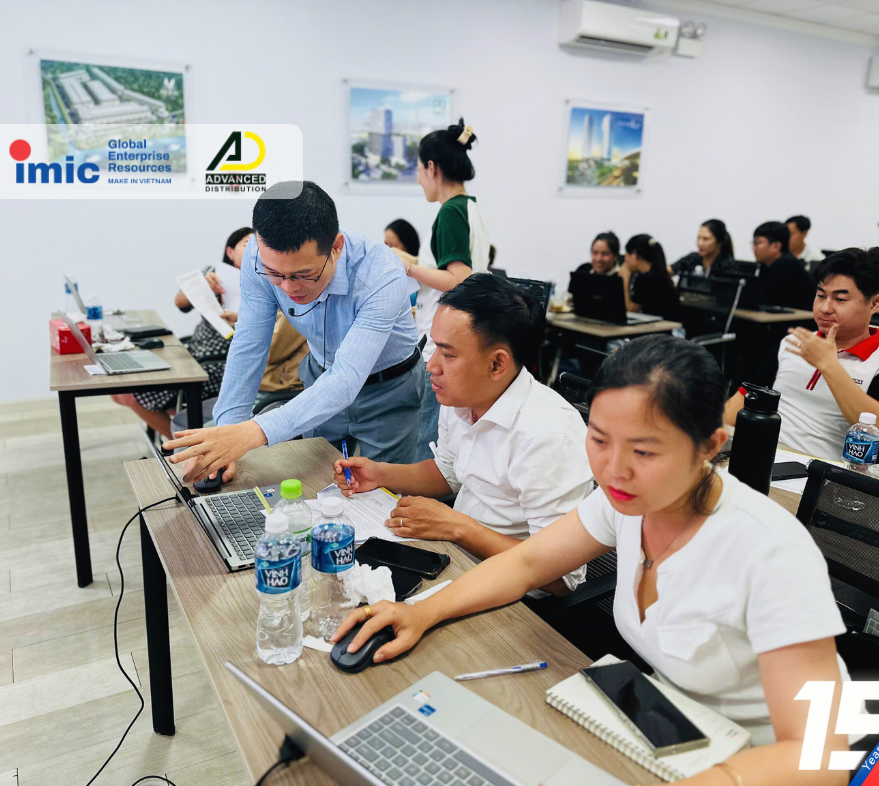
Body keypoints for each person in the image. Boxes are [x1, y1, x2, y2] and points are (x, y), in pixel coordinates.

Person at [335, 335, 853, 782]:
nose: (614, 469)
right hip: (669, 729)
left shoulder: (771, 552)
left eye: (644, 452)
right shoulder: (627, 501)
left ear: (710, 446)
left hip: (753, 767)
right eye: (599, 440)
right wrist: (422, 612)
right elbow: (526, 564)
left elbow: (823, 759)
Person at [333, 273, 591, 594]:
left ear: (497, 365)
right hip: (455, 559)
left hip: (515, 593)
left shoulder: (548, 436)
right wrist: (381, 474)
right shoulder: (462, 399)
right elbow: (448, 473)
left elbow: (562, 577)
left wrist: (457, 527)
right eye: (433, 348)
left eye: (448, 354)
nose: (431, 365)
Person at [163, 181, 424, 483]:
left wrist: (253, 432)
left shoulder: (381, 273)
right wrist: (226, 437)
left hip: (388, 390)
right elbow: (249, 345)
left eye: (304, 274)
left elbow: (346, 378)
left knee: (384, 494)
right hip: (319, 378)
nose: (288, 288)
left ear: (336, 247)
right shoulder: (258, 258)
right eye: (276, 275)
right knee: (318, 485)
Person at [725, 248, 879, 462]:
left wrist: (829, 365)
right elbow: (741, 401)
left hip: (822, 473)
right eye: (820, 296)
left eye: (840, 299)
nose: (825, 308)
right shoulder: (793, 343)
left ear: (875, 303)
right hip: (760, 455)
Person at [401, 118, 490, 463]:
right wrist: (411, 260)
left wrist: (408, 268)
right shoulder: (470, 207)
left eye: (419, 169)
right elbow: (451, 268)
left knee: (430, 438)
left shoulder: (450, 212)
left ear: (432, 167)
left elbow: (458, 277)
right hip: (466, 331)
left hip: (443, 336)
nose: (418, 178)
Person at [112, 228, 251, 439]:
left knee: (135, 390)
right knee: (132, 383)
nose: (253, 250)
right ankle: (180, 438)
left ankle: (179, 441)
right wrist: (204, 286)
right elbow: (180, 302)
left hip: (222, 360)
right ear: (230, 252)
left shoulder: (264, 278)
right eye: (247, 244)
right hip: (196, 350)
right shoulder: (212, 272)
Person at [752, 221, 817, 310]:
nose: (754, 248)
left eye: (758, 243)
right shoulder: (767, 265)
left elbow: (765, 298)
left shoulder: (786, 265)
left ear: (776, 246)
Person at [624, 234, 680, 321]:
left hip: (661, 326)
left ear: (634, 255)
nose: (625, 258)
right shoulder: (659, 274)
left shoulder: (645, 280)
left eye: (627, 254)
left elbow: (631, 310)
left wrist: (625, 278)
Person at [669, 219, 734, 278]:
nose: (700, 243)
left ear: (719, 241)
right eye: (698, 238)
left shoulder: (728, 265)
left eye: (706, 239)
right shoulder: (692, 259)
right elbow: (668, 271)